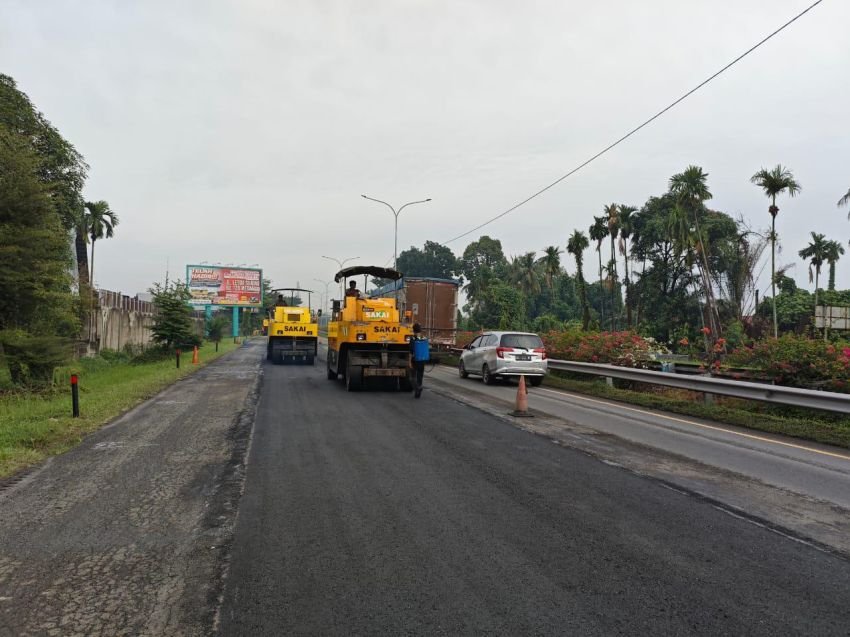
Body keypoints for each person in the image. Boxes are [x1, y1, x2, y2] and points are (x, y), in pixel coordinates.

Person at [409, 323, 429, 398]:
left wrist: (409, 362)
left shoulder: (413, 338)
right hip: (422, 359)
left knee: (412, 377)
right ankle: (418, 392)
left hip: (415, 360)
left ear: (413, 330)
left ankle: (417, 388)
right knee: (420, 376)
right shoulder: (424, 338)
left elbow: (411, 351)